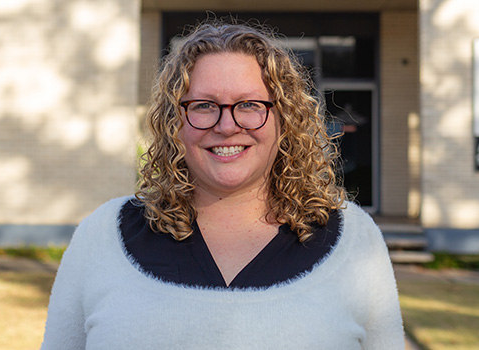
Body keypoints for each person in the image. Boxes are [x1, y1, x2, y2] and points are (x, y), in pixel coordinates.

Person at [41, 21, 404, 349]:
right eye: (203, 105)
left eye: (248, 104)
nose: (227, 125)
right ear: (174, 121)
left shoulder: (355, 240)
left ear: (285, 117)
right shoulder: (102, 236)